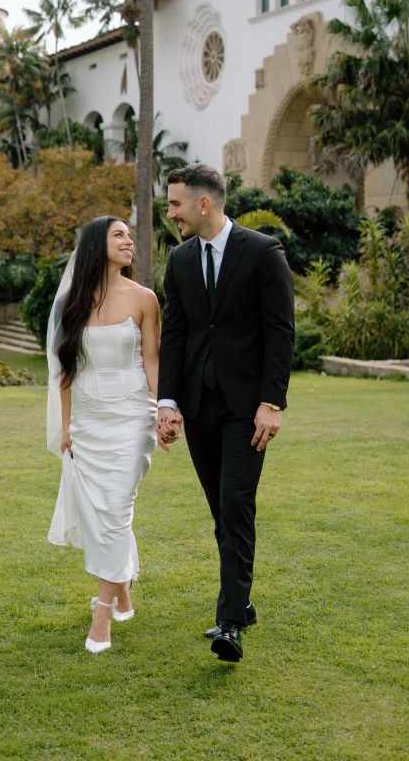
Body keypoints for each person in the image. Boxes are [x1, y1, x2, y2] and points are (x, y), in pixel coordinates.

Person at [157, 164, 294, 663]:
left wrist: (272, 402)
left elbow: (280, 331)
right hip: (199, 406)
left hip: (248, 409)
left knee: (236, 504)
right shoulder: (180, 260)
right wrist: (168, 402)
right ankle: (244, 599)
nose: (170, 213)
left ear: (203, 204)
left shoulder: (262, 253)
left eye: (174, 204)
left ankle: (230, 623)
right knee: (221, 509)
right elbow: (176, 335)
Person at [47, 216, 161, 654]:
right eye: (120, 235)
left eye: (130, 235)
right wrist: (66, 426)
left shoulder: (145, 299)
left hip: (133, 415)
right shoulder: (73, 303)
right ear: (98, 245)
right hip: (88, 422)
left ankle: (101, 613)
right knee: (101, 512)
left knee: (115, 505)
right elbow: (66, 370)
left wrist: (166, 409)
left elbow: (152, 361)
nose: (129, 241)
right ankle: (123, 589)